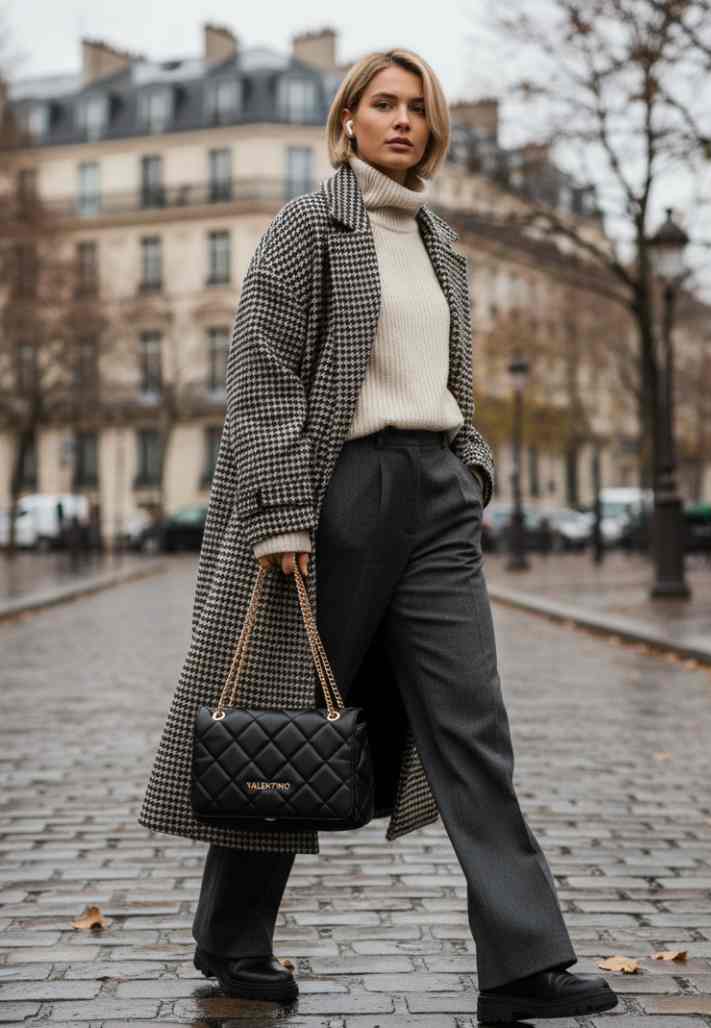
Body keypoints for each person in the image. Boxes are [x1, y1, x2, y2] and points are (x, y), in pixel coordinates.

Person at [139, 47, 618, 1024]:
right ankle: (233, 941)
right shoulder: (306, 225)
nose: (400, 120)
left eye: (415, 108)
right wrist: (278, 513)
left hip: (435, 493)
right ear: (347, 119)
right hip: (329, 490)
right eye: (381, 104)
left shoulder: (440, 241)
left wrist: (469, 466)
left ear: (432, 129)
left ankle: (523, 959)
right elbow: (263, 374)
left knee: (470, 718)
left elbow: (455, 379)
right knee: (278, 705)